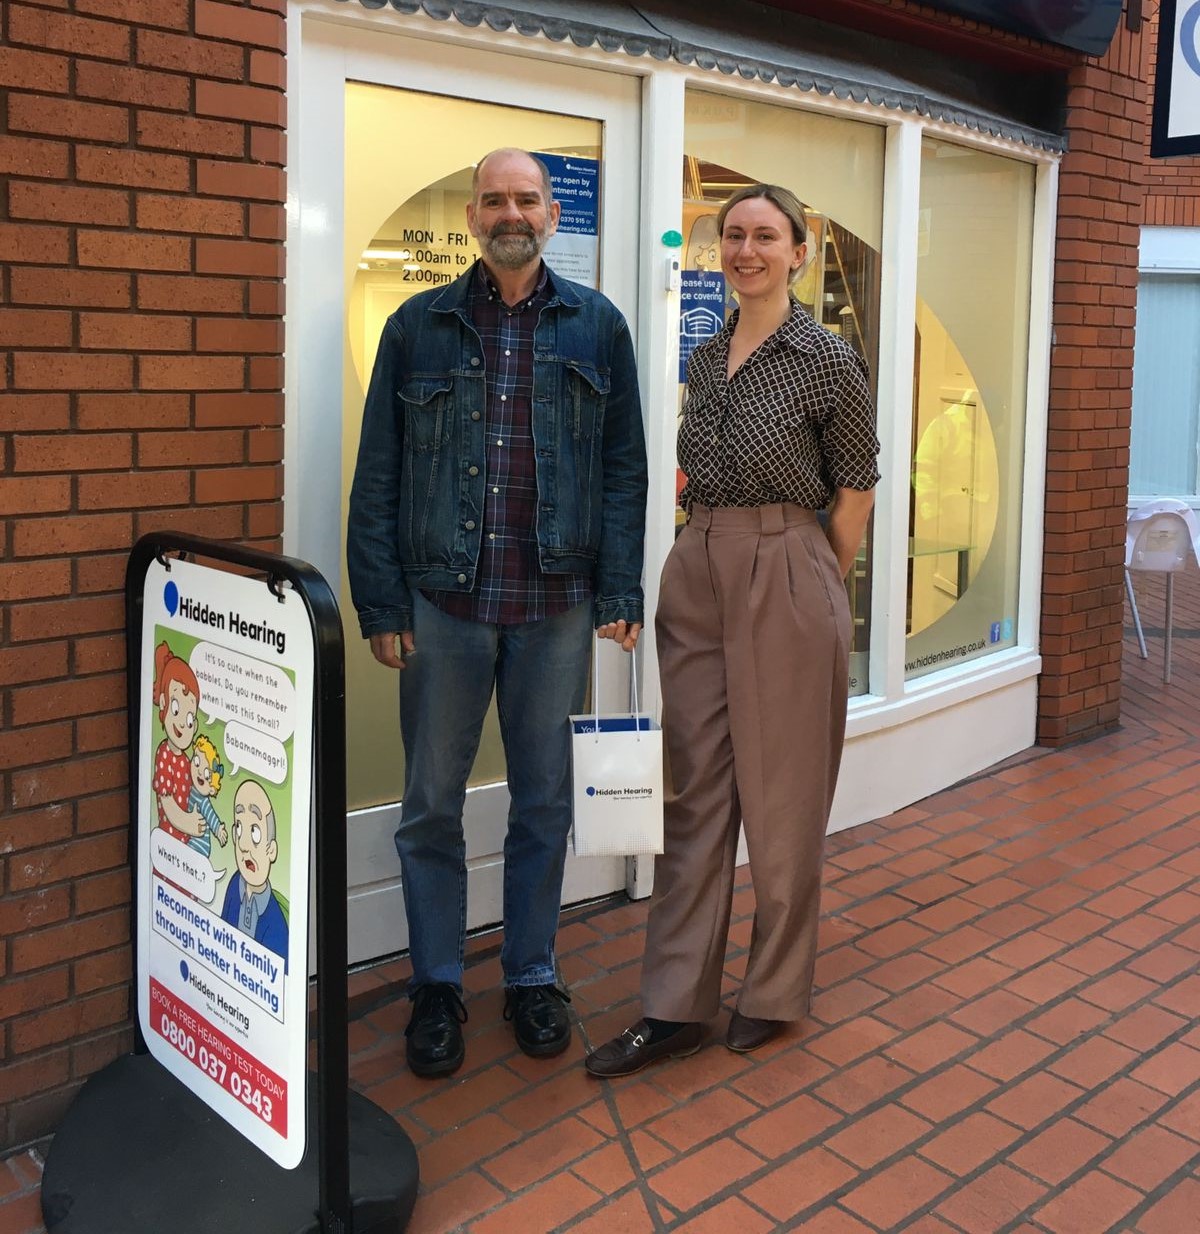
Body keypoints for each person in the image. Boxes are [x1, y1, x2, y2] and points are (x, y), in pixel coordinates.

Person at [347, 148, 647, 1078]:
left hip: (555, 605)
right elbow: (381, 474)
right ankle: (437, 983)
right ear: (472, 217)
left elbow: (624, 467)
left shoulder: (598, 327)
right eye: (494, 200)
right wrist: (381, 599)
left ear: (551, 215)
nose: (511, 212)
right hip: (443, 604)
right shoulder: (417, 326)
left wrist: (621, 588)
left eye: (528, 198)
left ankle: (531, 972)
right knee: (430, 805)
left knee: (544, 800)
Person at [585, 184, 879, 1078]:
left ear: (801, 249)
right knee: (696, 795)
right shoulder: (707, 358)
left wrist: (811, 575)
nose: (746, 249)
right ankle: (674, 1005)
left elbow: (857, 484)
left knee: (783, 799)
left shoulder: (826, 357)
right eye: (734, 236)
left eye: (765, 236)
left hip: (787, 561)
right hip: (699, 566)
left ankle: (774, 992)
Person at [221, 779, 289, 967]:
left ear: (272, 850)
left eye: (255, 832)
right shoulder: (235, 884)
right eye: (240, 829)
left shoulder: (277, 925)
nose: (243, 845)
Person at [187, 734, 229, 859]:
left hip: (199, 845)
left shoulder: (203, 800)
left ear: (211, 788)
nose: (199, 772)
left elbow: (211, 816)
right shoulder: (191, 787)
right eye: (197, 761)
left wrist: (218, 830)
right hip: (190, 838)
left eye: (206, 774)